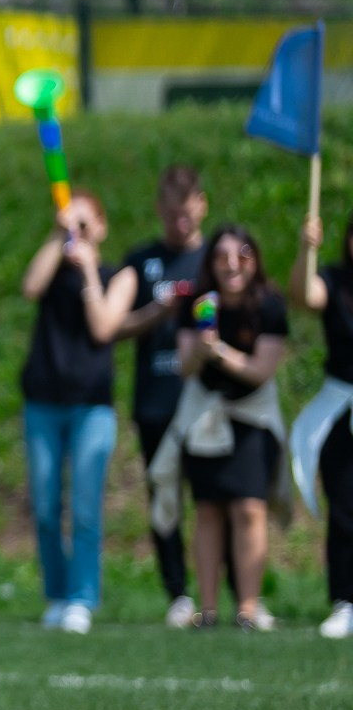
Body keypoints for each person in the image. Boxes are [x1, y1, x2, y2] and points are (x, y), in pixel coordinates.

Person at [18, 192, 138, 634]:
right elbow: (29, 286)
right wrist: (57, 234)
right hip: (43, 402)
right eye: (73, 227)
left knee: (86, 505)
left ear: (102, 229)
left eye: (85, 227)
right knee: (47, 506)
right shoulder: (50, 275)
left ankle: (82, 598)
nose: (77, 236)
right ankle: (56, 592)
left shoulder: (117, 275)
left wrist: (87, 266)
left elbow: (104, 326)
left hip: (92, 406)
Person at [159, 225, 289, 630]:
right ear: (211, 263)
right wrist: (201, 347)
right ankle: (209, 608)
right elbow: (184, 366)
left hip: (251, 416)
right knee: (208, 509)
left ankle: (248, 607)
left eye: (242, 255)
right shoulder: (198, 304)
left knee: (249, 507)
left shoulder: (267, 304)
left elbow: (261, 371)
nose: (232, 264)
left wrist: (220, 351)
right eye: (222, 256)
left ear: (255, 260)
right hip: (205, 413)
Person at [114, 166, 212, 627]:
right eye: (172, 215)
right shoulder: (140, 261)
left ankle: (233, 596)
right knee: (164, 497)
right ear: (160, 211)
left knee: (216, 498)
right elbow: (115, 325)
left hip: (209, 400)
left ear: (202, 207)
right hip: (155, 399)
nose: (180, 223)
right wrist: (156, 311)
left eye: (188, 214)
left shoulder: (217, 260)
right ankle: (178, 593)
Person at [290, 210, 353, 637]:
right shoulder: (333, 281)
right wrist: (305, 251)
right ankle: (345, 601)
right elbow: (303, 294)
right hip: (340, 408)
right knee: (346, 510)